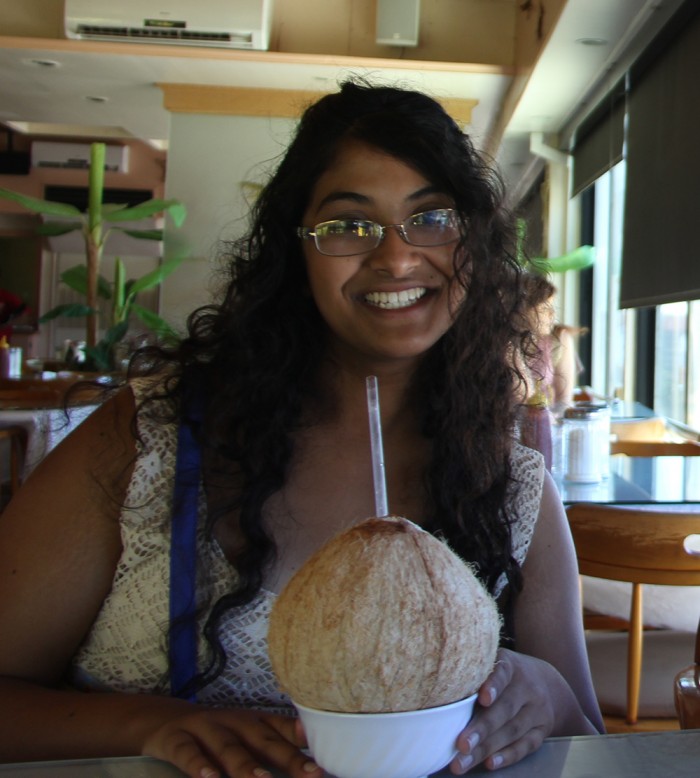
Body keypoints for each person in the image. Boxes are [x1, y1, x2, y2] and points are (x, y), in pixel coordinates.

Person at [0, 80, 604, 777]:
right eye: (349, 225)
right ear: (297, 252)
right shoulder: (151, 440)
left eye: (432, 217)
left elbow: (587, 738)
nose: (397, 258)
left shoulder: (512, 487)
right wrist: (151, 724)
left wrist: (548, 697)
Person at [523, 275, 587, 417]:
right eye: (546, 308)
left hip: (544, 424)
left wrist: (547, 420)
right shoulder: (504, 342)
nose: (553, 314)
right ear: (523, 310)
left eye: (553, 307)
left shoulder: (559, 339)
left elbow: (564, 402)